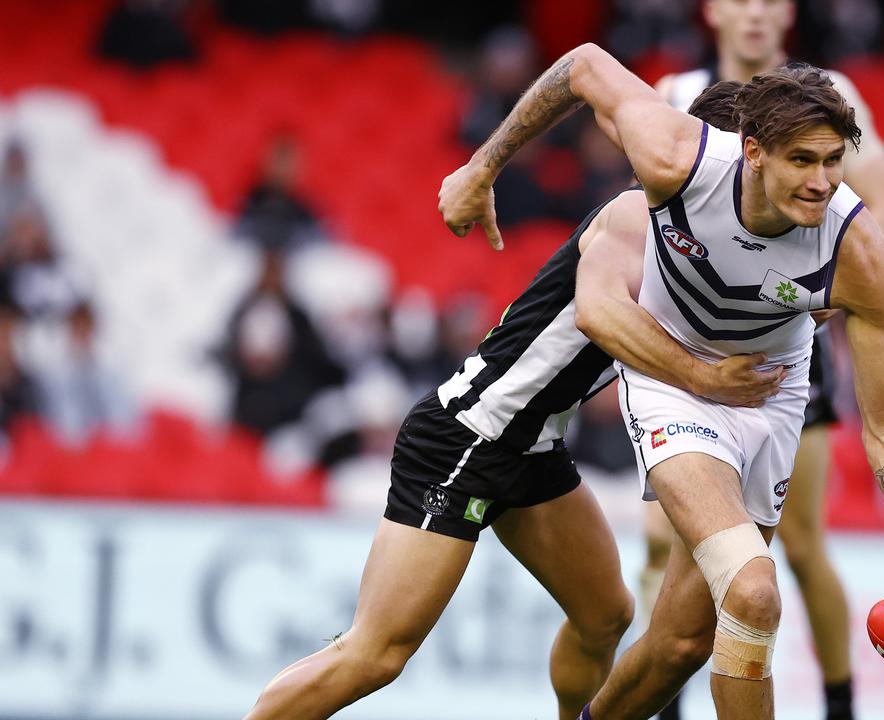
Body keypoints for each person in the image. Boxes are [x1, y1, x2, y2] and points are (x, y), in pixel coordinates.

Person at [438, 44, 884, 720]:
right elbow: (583, 66)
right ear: (752, 152)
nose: (820, 181)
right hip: (675, 382)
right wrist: (482, 167)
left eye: (833, 162)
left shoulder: (855, 252)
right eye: (801, 161)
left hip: (772, 399)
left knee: (682, 643)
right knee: (753, 592)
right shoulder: (675, 157)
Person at [241, 92, 784, 720]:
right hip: (469, 437)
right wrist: (708, 376)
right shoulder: (639, 217)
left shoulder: (707, 242)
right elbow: (599, 316)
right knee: (378, 654)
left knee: (605, 615)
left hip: (532, 446)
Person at [649, 2, 884, 716]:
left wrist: (821, 279)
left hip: (786, 349)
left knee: (798, 545)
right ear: (713, 10)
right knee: (664, 544)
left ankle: (839, 707)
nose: (757, 12)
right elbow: (639, 218)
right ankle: (665, 698)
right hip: (693, 343)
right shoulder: (676, 95)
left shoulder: (830, 95)